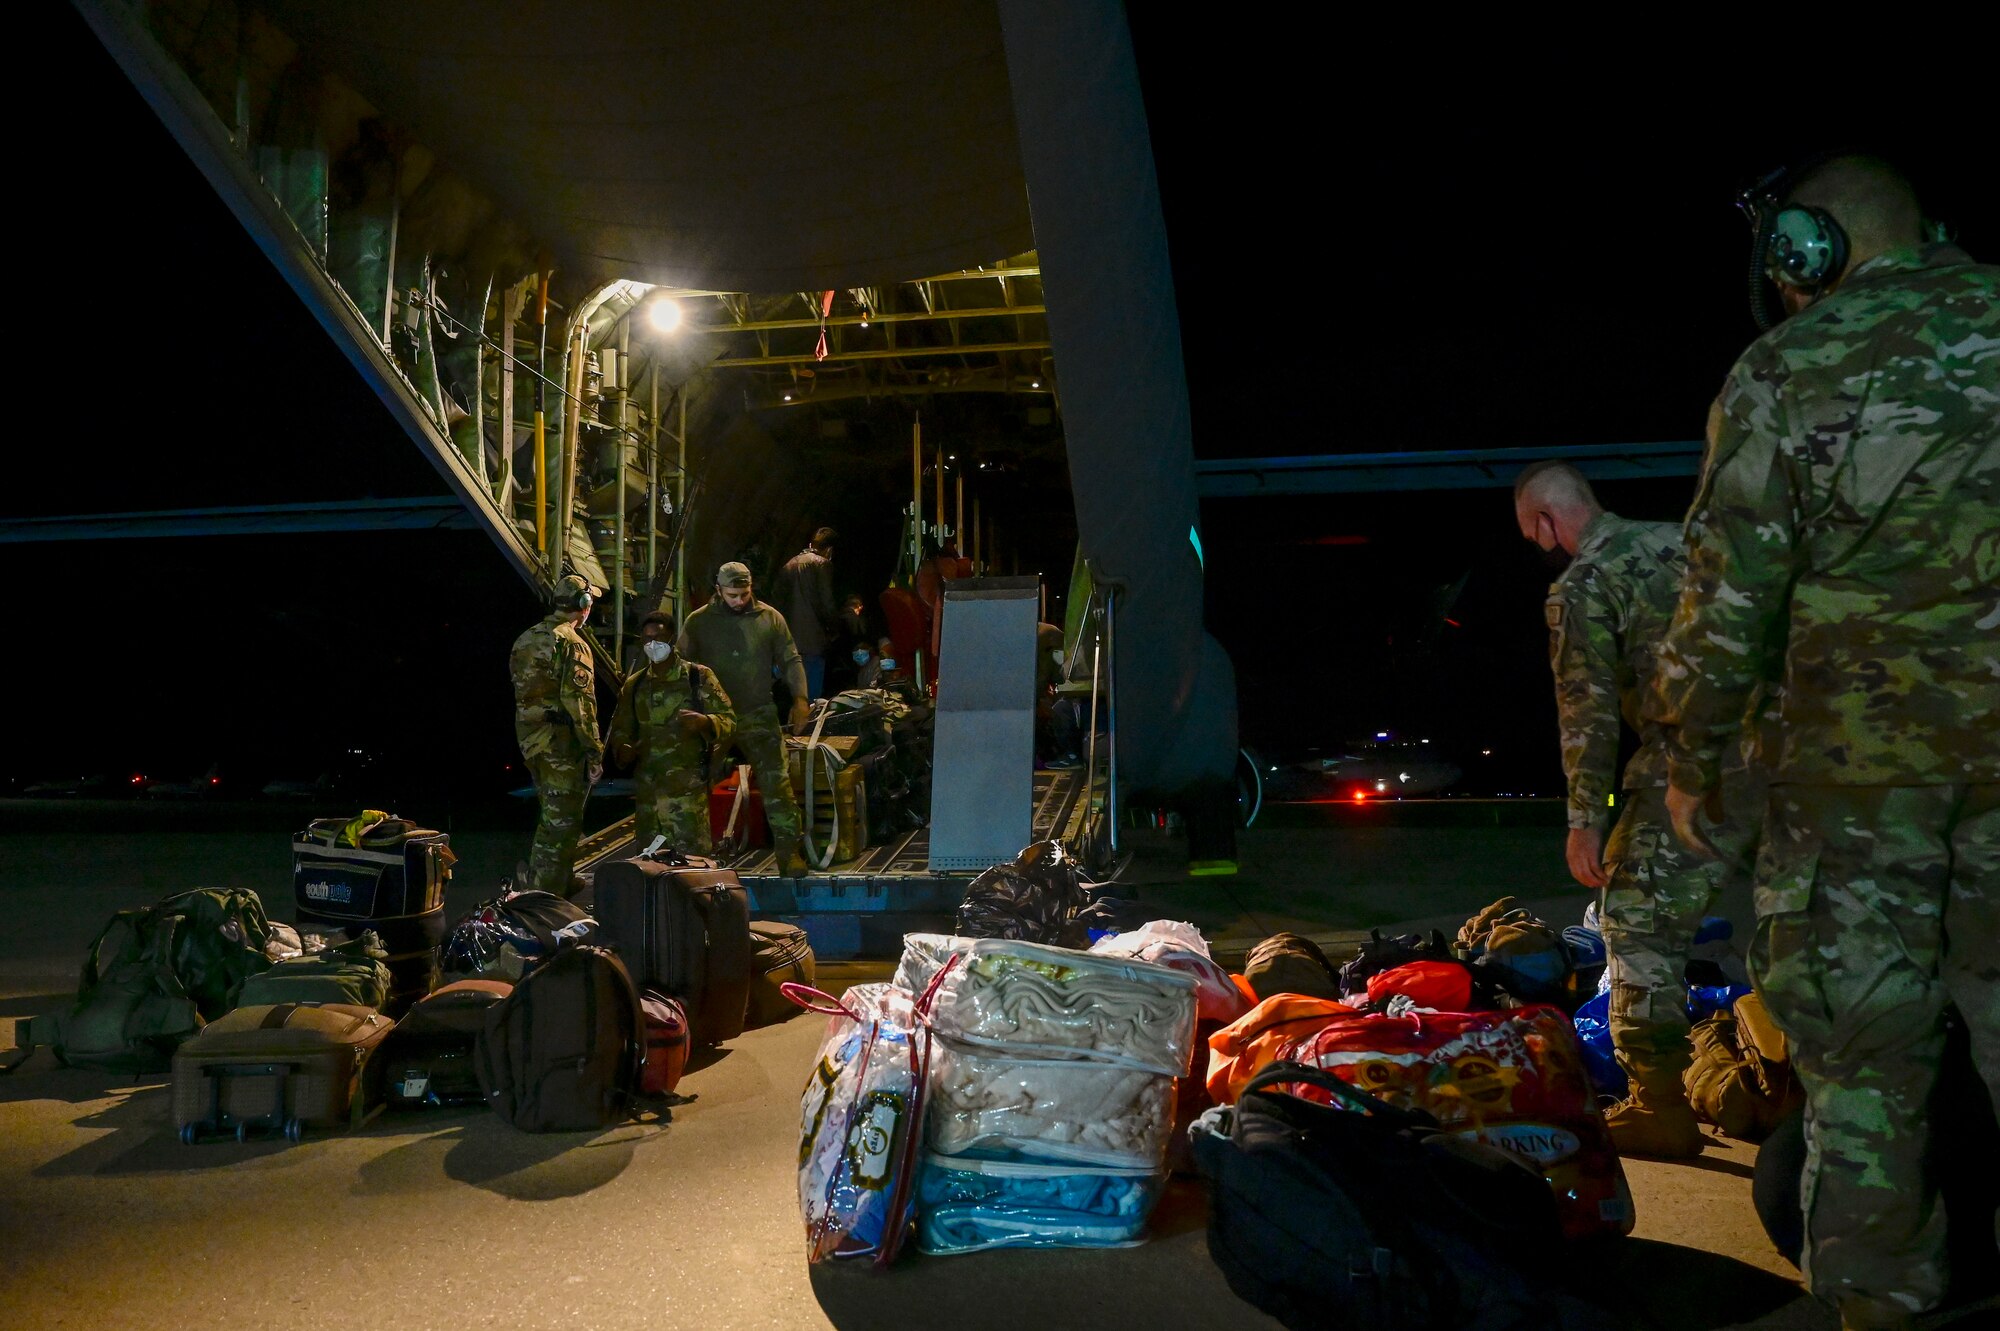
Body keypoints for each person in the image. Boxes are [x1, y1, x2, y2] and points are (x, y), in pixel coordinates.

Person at [1649, 154, 1997, 1331]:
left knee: (1861, 1073)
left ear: (1806, 249)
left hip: (1856, 794)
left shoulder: (1787, 369)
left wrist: (1690, 764)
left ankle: (1882, 1305)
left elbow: (1726, 599)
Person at [1515, 461, 1756, 1158]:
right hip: (1795, 755)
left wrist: (1585, 818)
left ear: (1546, 522)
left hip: (1689, 760)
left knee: (1636, 917)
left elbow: (1587, 714)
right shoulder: (1695, 542)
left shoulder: (1586, 582)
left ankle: (1661, 1106)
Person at [678, 561, 814, 877]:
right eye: (732, 594)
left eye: (744, 593)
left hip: (758, 712)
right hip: (713, 718)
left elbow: (791, 659)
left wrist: (801, 698)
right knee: (695, 785)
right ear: (718, 591)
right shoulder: (699, 623)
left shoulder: (769, 619)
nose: (739, 600)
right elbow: (680, 666)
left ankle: (788, 853)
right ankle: (694, 856)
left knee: (777, 785)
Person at [508, 574, 604, 897]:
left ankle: (559, 882)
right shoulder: (572, 643)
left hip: (531, 742)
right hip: (560, 746)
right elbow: (580, 705)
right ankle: (543, 899)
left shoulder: (524, 639)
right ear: (584, 605)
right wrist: (594, 752)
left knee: (552, 815)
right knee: (560, 826)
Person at [608, 611, 734, 856]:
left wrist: (705, 722)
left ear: (672, 638)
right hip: (648, 804)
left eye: (659, 638)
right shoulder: (634, 685)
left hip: (686, 800)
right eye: (646, 639)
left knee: (692, 867)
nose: (652, 645)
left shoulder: (698, 677)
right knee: (650, 870)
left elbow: (729, 720)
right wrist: (623, 749)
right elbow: (621, 730)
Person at [776, 527, 838, 699]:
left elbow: (778, 603)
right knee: (812, 696)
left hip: (789, 643)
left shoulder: (787, 565)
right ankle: (809, 725)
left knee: (795, 694)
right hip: (813, 641)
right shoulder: (822, 564)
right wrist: (833, 630)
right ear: (829, 549)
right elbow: (827, 603)